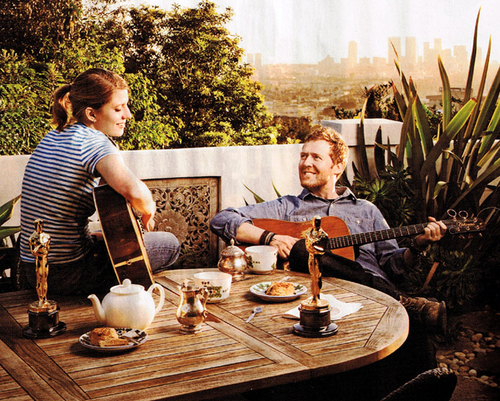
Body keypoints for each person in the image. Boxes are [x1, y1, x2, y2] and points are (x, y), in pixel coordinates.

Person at [210, 126, 447, 332]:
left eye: (315, 157)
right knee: (306, 249)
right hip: (315, 297)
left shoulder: (366, 210)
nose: (306, 163)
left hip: (372, 294)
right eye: (303, 156)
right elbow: (222, 219)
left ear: (338, 166)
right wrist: (270, 237)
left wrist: (417, 246)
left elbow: (393, 266)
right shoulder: (287, 207)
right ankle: (404, 302)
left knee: (420, 343)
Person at [19, 68, 180, 295]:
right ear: (92, 114)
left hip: (32, 269)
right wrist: (148, 212)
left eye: (126, 106)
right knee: (168, 243)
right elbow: (134, 191)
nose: (128, 115)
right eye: (118, 108)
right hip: (68, 274)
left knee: (103, 238)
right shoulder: (95, 143)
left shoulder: (54, 135)